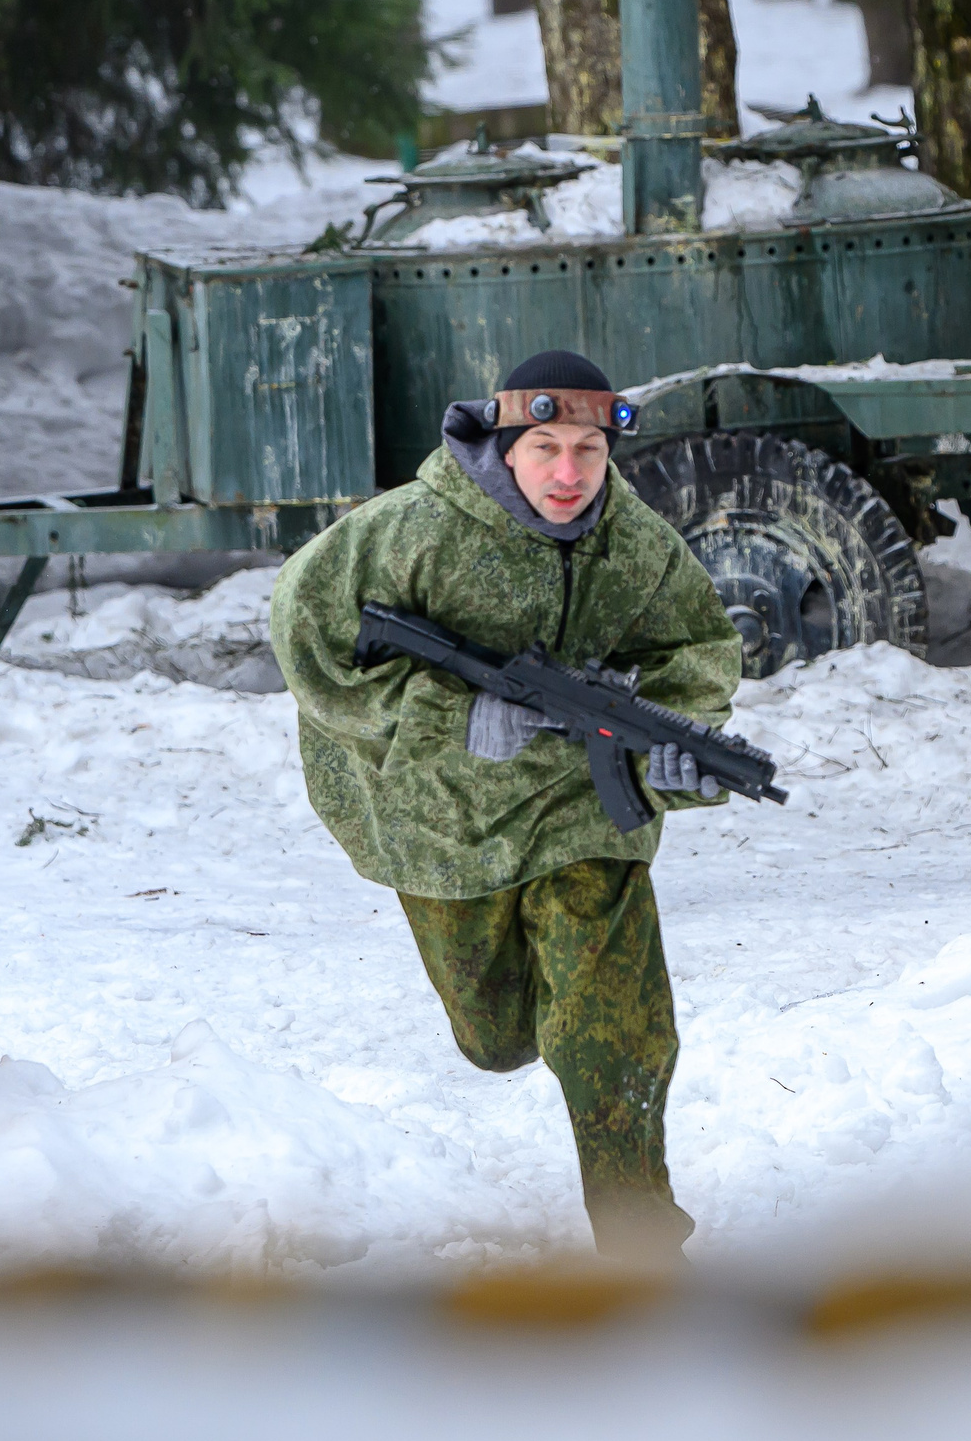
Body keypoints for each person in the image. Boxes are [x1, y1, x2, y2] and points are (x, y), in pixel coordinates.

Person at [269, 350, 742, 1260]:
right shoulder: (409, 532)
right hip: (440, 820)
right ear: (504, 442)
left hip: (578, 812)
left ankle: (641, 1239)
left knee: (615, 1022)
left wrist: (674, 749)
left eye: (589, 453)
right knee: (493, 1037)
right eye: (547, 449)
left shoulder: (638, 548)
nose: (569, 475)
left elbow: (702, 650)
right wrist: (446, 716)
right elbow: (305, 630)